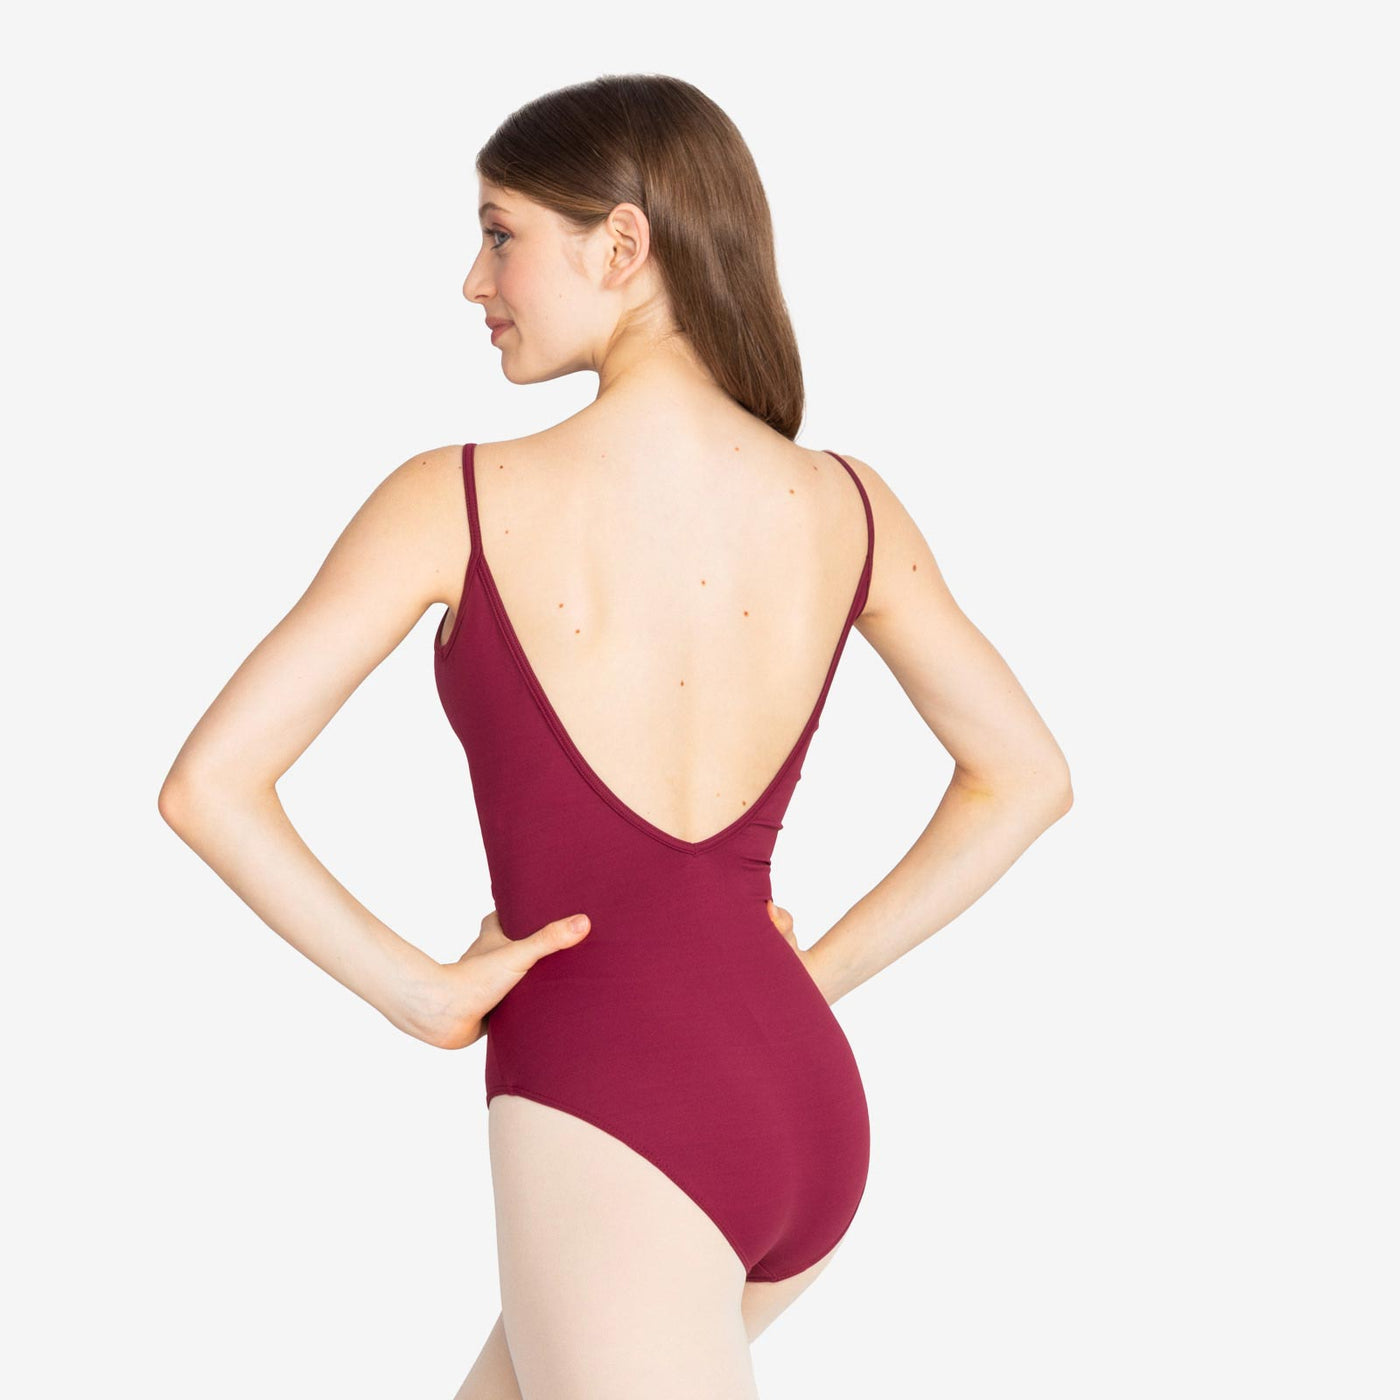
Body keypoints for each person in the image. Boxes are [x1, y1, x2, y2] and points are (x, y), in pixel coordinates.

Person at [159, 73, 1072, 1400]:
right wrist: (805, 983)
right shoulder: (849, 504)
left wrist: (424, 991)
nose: (474, 281)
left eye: (502, 233)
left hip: (613, 1107)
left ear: (623, 244)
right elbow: (1025, 776)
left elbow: (209, 786)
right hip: (795, 1102)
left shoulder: (456, 498)